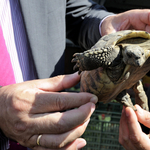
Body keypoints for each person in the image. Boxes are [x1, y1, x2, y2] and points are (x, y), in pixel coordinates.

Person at [1, 0, 150, 150]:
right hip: (99, 82)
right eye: (132, 57)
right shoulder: (116, 53)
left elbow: (75, 12)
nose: (137, 60)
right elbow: (108, 53)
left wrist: (107, 24)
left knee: (139, 101)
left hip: (51, 131)